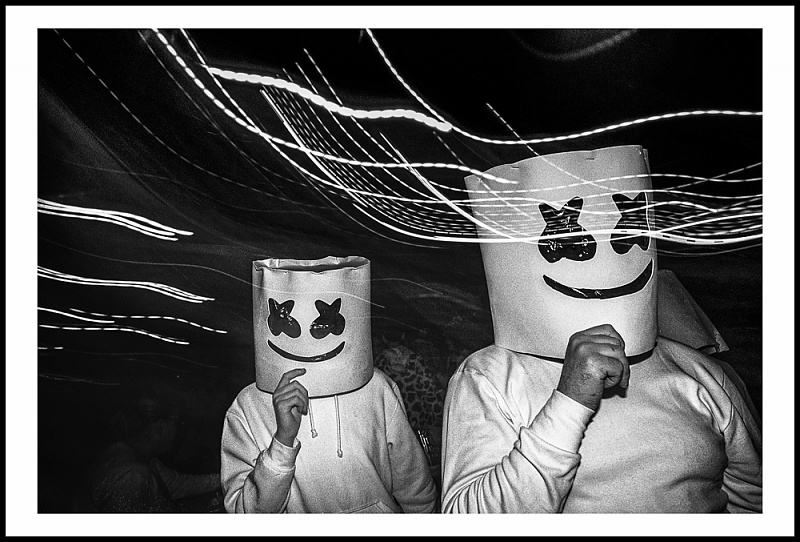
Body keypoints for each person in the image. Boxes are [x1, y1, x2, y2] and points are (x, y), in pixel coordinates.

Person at [440, 145, 762, 513]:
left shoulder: (702, 373)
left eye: (630, 228)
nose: (606, 250)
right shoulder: (487, 378)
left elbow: (755, 498)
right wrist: (570, 401)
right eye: (567, 241)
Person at [220, 256, 437, 513]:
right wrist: (283, 441)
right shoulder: (247, 408)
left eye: (329, 324)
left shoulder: (376, 388)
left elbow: (414, 485)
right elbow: (243, 514)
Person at [75, 395, 222, 513]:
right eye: (175, 426)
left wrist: (227, 477)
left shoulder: (132, 454)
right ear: (160, 427)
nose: (177, 433)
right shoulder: (132, 476)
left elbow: (177, 485)